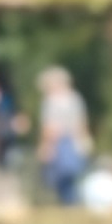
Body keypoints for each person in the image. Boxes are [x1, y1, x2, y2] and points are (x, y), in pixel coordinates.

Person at [37, 65, 92, 204]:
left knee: (67, 175)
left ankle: (71, 202)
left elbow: (49, 128)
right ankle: (69, 202)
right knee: (63, 177)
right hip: (63, 142)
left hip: (66, 142)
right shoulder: (73, 100)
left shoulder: (57, 102)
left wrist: (46, 145)